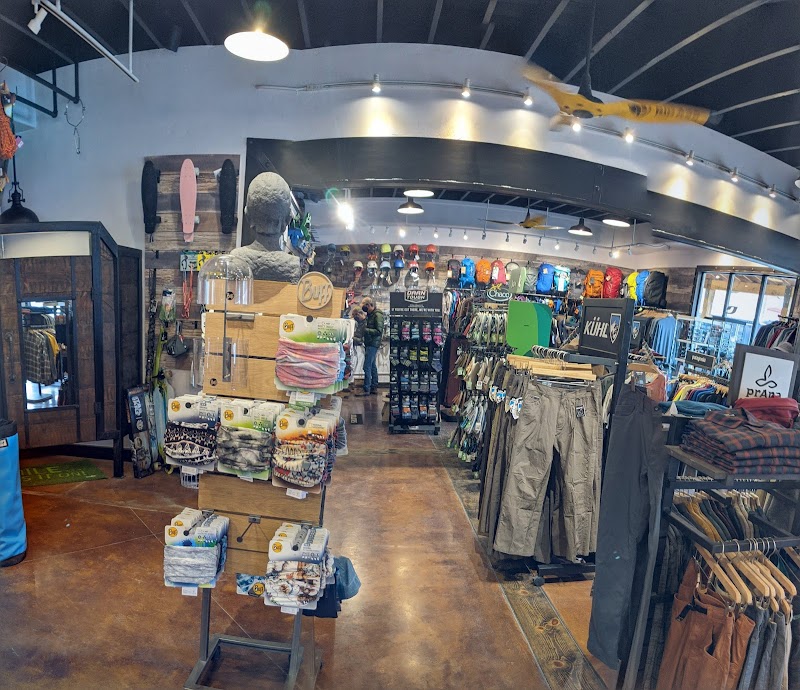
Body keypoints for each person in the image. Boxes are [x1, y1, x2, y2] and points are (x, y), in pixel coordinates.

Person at [359, 296, 384, 396]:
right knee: (372, 366)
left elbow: (379, 331)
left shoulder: (377, 315)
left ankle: (366, 389)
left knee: (367, 366)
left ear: (369, 305)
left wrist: (366, 330)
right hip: (370, 343)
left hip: (373, 343)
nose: (364, 308)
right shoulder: (371, 315)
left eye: (365, 306)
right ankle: (374, 387)